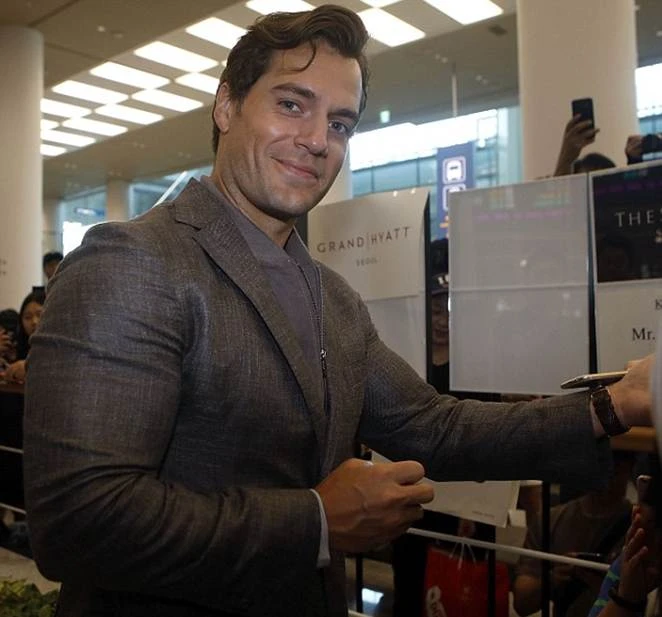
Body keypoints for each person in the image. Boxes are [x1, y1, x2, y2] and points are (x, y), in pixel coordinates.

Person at [23, 6, 654, 617]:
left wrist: (616, 403)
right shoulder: (134, 262)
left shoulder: (333, 297)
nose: (317, 140)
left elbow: (435, 428)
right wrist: (317, 520)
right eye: (291, 104)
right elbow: (79, 520)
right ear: (226, 105)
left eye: (341, 123)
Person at [513, 450, 636, 617]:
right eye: (599, 466)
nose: (606, 479)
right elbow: (522, 602)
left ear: (629, 469)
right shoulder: (550, 520)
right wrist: (554, 578)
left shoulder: (639, 527)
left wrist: (609, 588)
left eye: (614, 470)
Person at [0, 289, 44, 384]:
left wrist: (28, 366)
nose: (34, 322)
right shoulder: (18, 347)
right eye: (27, 317)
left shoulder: (57, 349)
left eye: (40, 315)